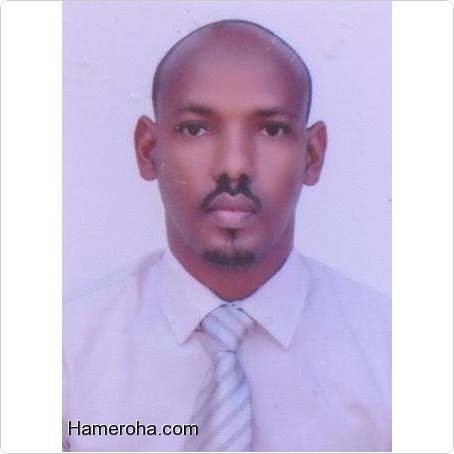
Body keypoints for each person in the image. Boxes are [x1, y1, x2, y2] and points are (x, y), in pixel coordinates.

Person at [63, 19, 391, 452]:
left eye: (272, 130)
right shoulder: (63, 353)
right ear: (148, 150)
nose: (234, 166)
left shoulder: (397, 355)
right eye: (195, 129)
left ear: (312, 155)